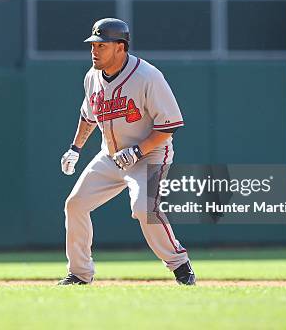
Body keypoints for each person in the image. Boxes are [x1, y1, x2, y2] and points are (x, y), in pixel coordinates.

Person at [58, 18, 195, 286]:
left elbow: (170, 126)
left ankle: (180, 265)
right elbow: (88, 116)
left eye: (101, 45)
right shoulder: (92, 77)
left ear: (120, 47)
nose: (94, 50)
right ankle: (79, 274)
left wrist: (137, 151)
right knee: (75, 205)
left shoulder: (148, 76)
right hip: (110, 155)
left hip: (150, 154)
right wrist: (75, 148)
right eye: (93, 45)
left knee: (144, 208)